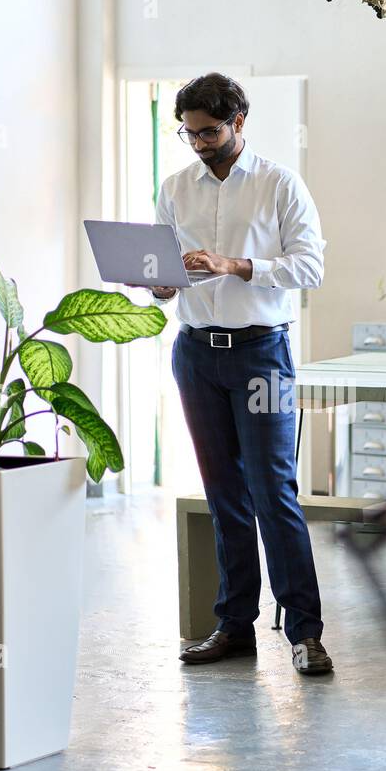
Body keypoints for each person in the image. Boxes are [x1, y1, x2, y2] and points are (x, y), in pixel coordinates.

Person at [128, 73, 332, 675]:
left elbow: (311, 267)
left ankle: (305, 634)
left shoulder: (278, 184)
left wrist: (235, 265)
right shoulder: (174, 188)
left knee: (274, 494)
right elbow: (163, 280)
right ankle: (234, 627)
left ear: (239, 121)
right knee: (223, 496)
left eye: (209, 132)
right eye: (188, 133)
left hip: (260, 353)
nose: (197, 142)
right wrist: (160, 283)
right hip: (195, 354)